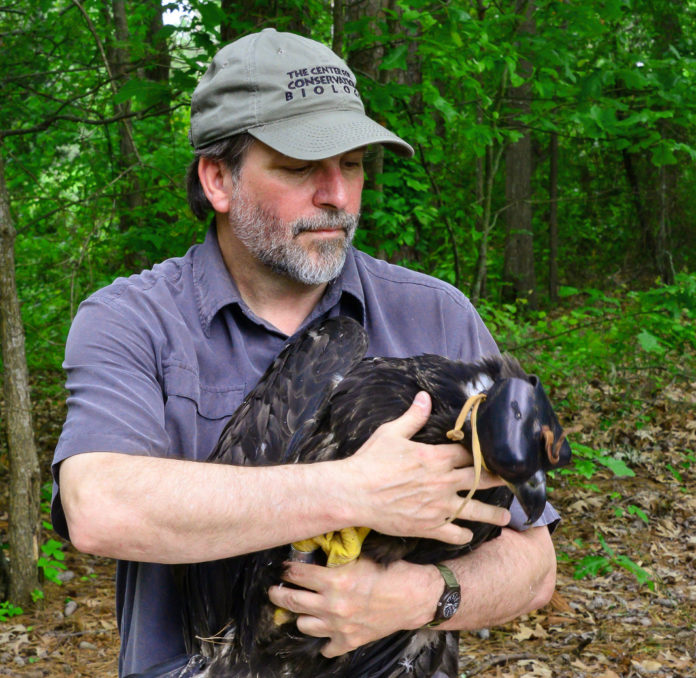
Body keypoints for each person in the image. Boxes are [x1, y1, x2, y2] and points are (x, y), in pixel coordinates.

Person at [51, 28, 559, 678]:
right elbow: (100, 508)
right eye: (299, 167)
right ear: (217, 179)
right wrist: (351, 492)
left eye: (351, 165)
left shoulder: (435, 315)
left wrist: (420, 596)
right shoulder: (133, 320)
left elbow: (533, 562)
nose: (338, 195)